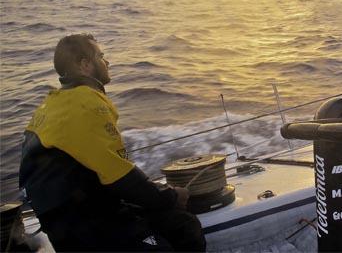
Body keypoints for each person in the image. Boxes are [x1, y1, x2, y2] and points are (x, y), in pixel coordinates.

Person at [19, 34, 206, 251]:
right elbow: (120, 177)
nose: (106, 62)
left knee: (182, 225)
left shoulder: (53, 104)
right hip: (84, 224)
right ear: (85, 65)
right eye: (101, 56)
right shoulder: (86, 104)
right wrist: (172, 196)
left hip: (69, 216)